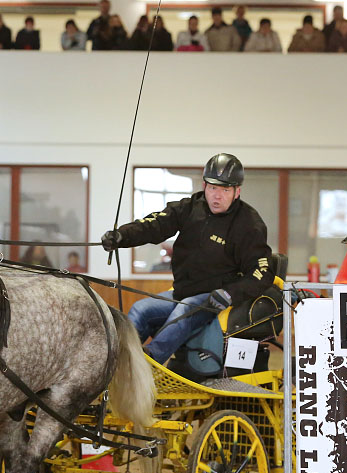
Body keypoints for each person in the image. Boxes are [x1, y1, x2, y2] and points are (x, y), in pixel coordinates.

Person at [100, 153, 274, 365]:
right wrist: (121, 236)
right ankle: (114, 364)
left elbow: (262, 272)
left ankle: (148, 364)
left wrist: (229, 293)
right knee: (141, 309)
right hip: (181, 293)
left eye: (225, 190)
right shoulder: (190, 207)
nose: (217, 196)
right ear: (204, 186)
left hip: (215, 299)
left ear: (237, 191)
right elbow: (154, 225)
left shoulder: (249, 224)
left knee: (184, 311)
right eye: (212, 188)